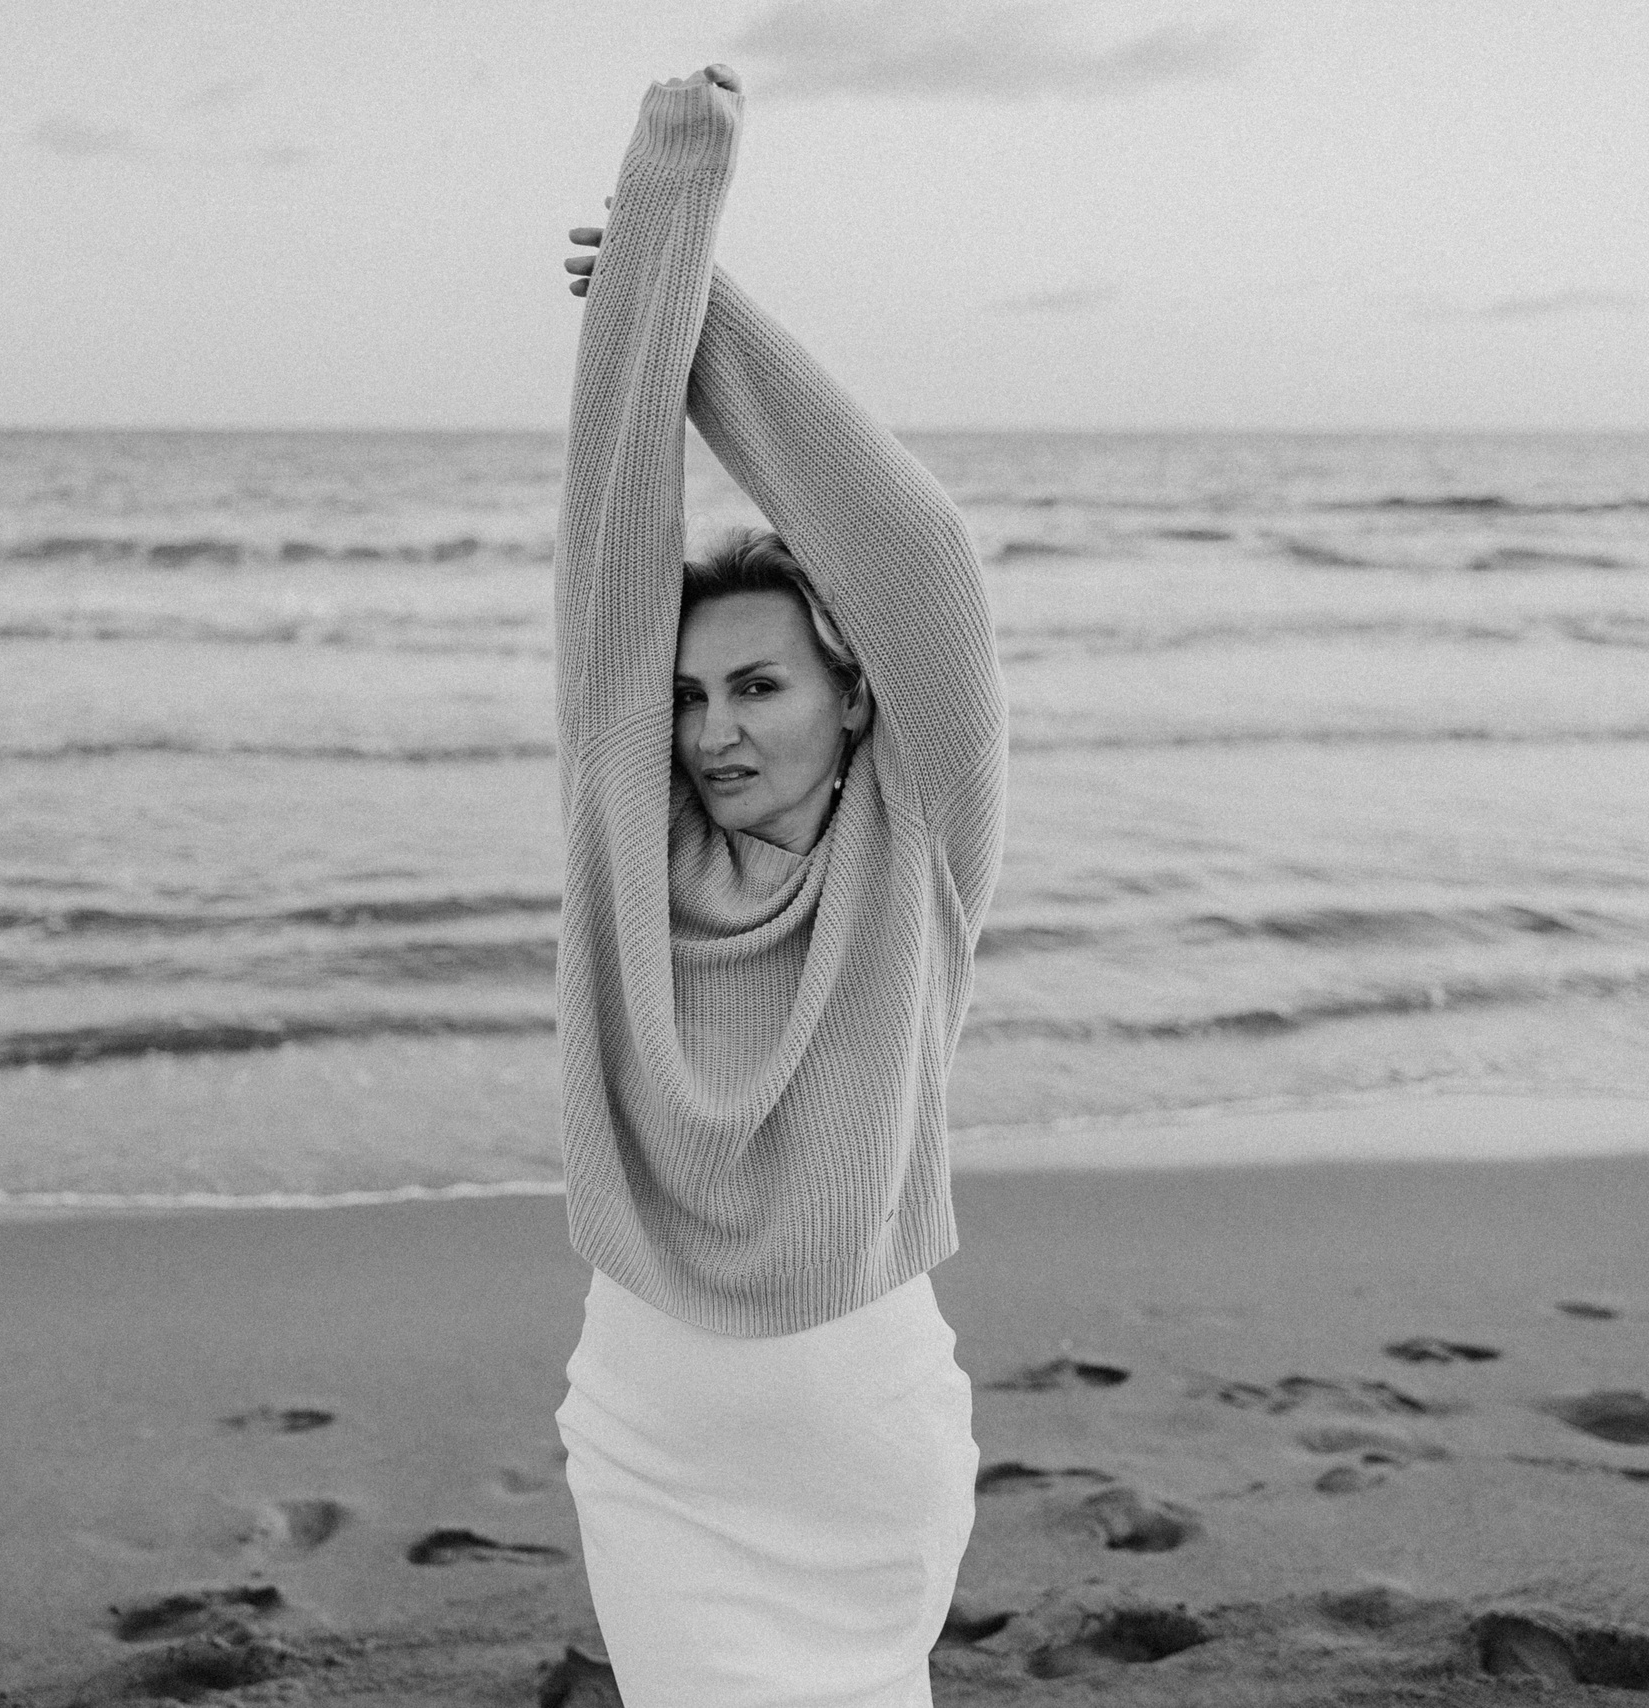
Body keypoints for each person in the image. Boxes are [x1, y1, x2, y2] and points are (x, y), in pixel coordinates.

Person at [545, 62, 1009, 1708]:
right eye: (688, 695)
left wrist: (704, 306)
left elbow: (925, 562)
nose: (712, 725)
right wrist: (650, 270)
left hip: (857, 1449)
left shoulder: (921, 840)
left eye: (757, 685)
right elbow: (609, 548)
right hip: (655, 1452)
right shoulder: (629, 845)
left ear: (853, 694)